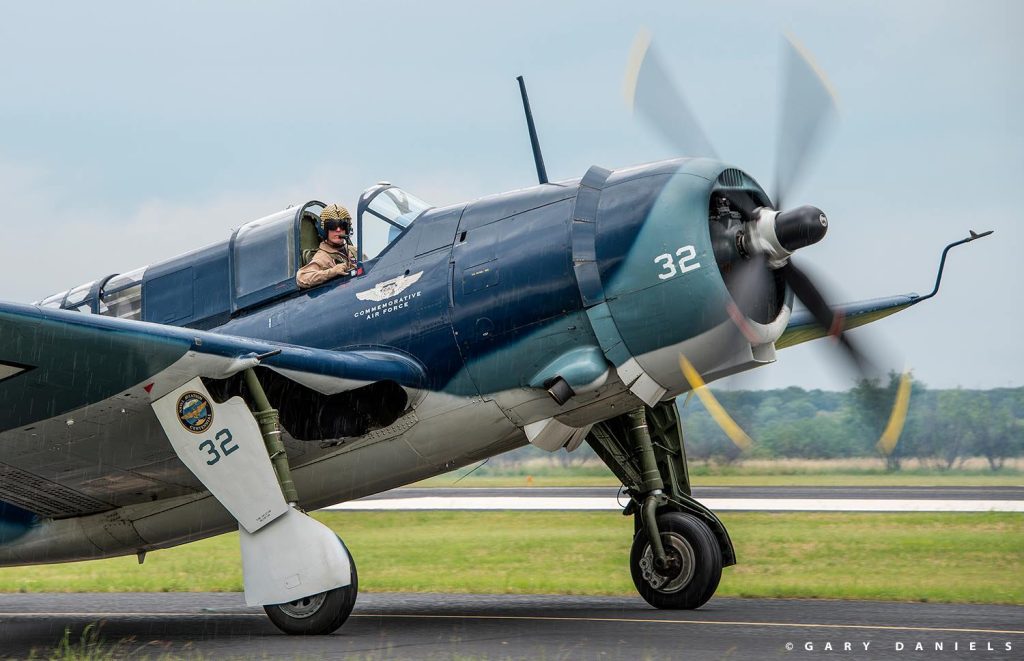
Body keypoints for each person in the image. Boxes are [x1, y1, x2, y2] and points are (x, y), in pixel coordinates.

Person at [296, 204, 360, 289]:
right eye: (332, 226)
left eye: (342, 225)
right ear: (324, 230)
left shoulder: (354, 251)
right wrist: (332, 272)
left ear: (348, 228)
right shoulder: (322, 257)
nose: (338, 230)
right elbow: (302, 278)